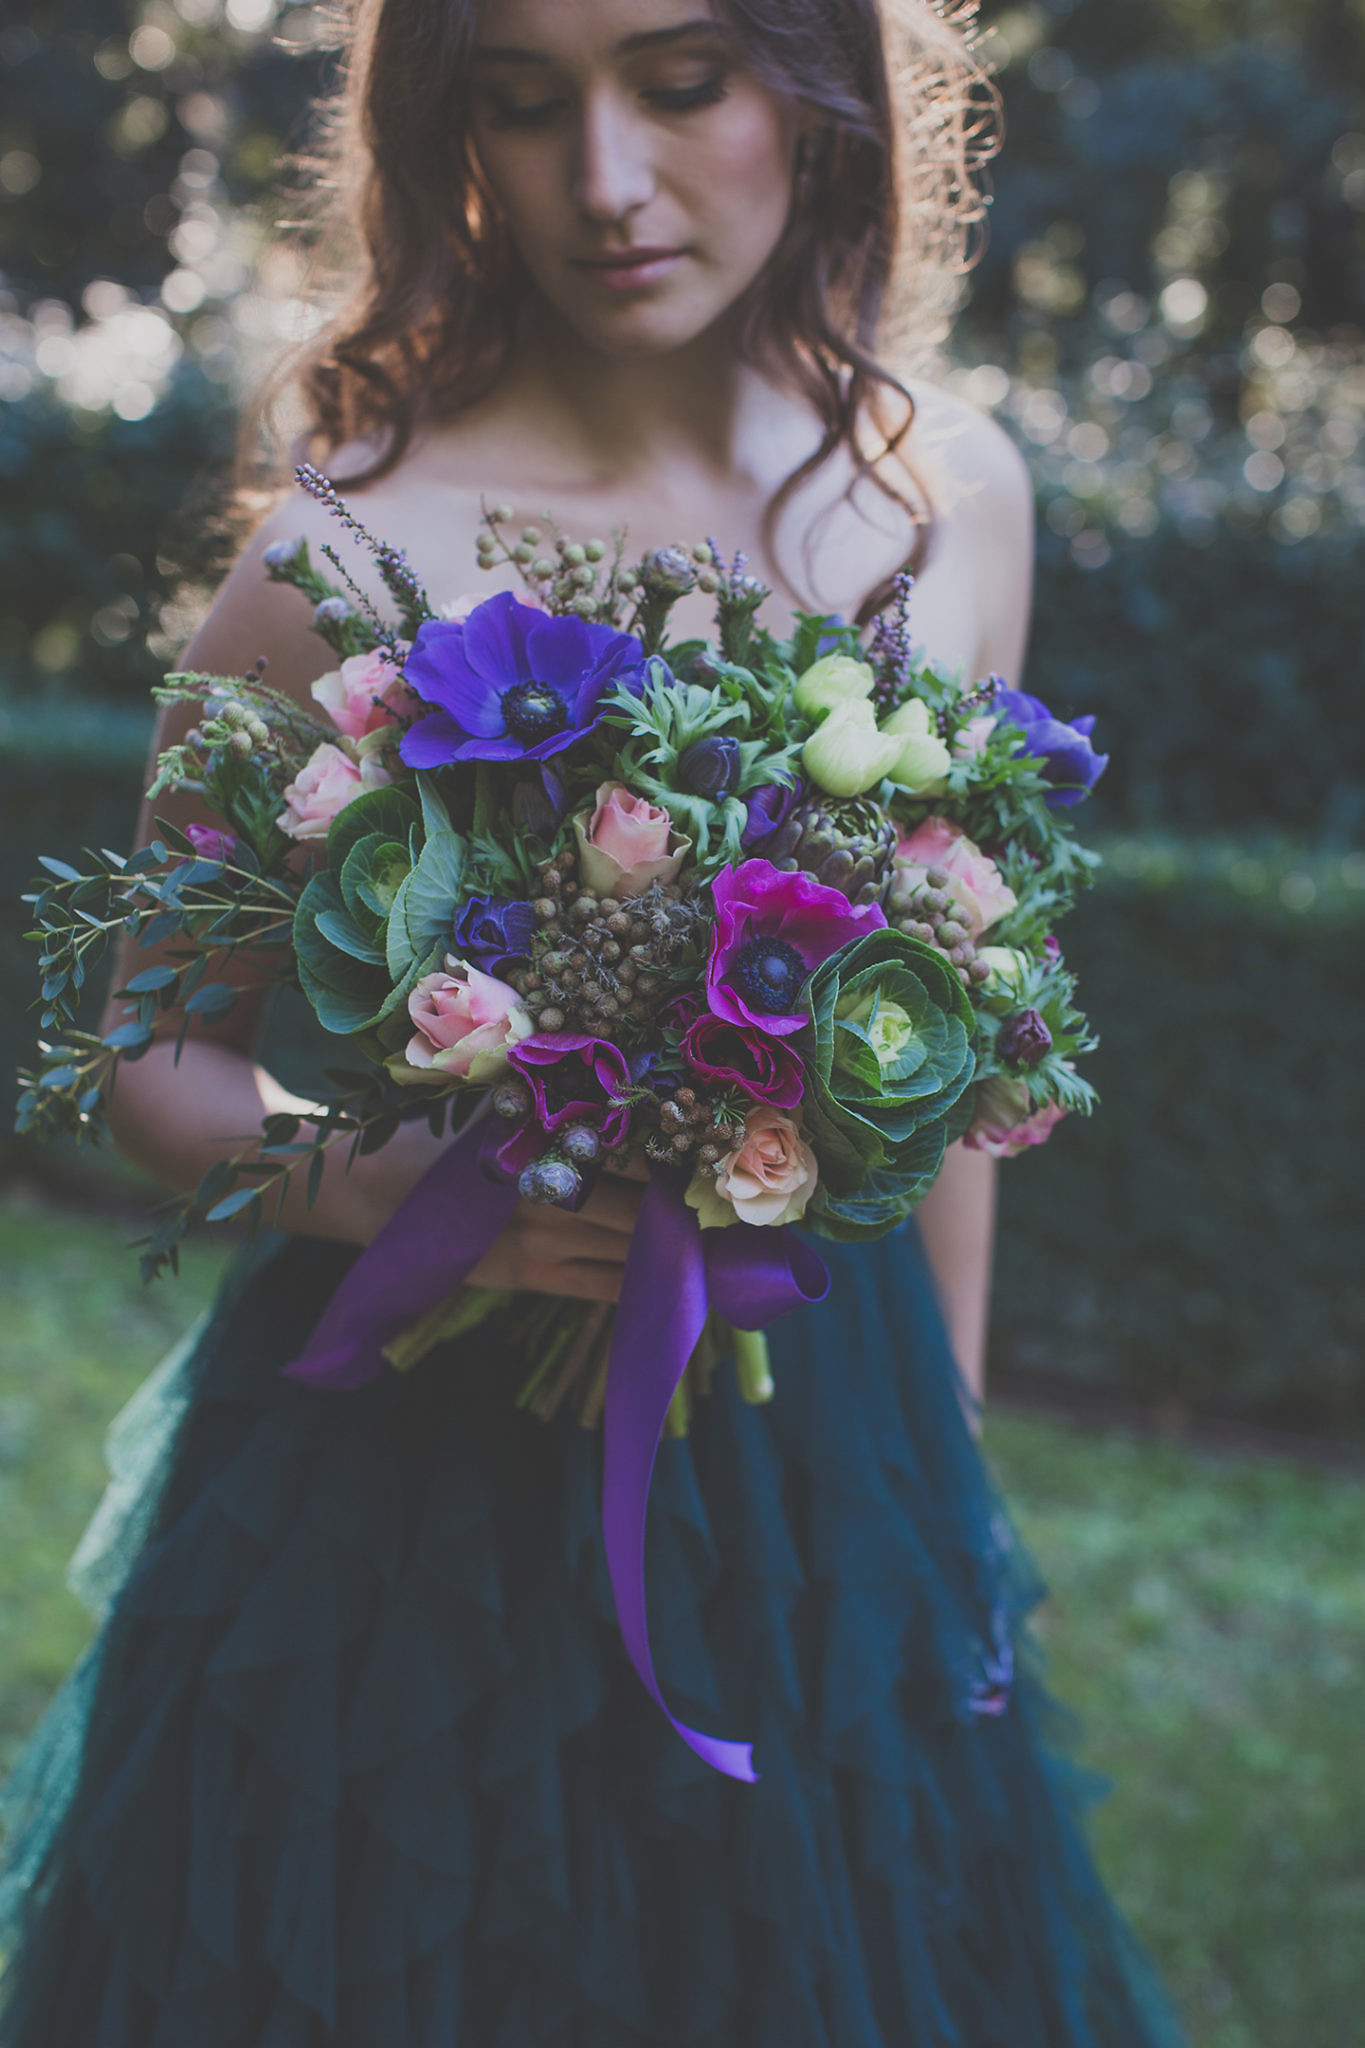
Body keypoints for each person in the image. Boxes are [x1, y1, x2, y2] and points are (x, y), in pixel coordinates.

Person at [0, 2, 1184, 2042]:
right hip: (402, 1493)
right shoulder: (336, 555)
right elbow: (145, 1056)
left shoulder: (946, 496)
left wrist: (948, 1478)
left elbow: (949, 1038)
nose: (604, 181)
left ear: (812, 88)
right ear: (447, 135)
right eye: (523, 105)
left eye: (679, 80)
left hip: (829, 1443)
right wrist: (389, 1184)